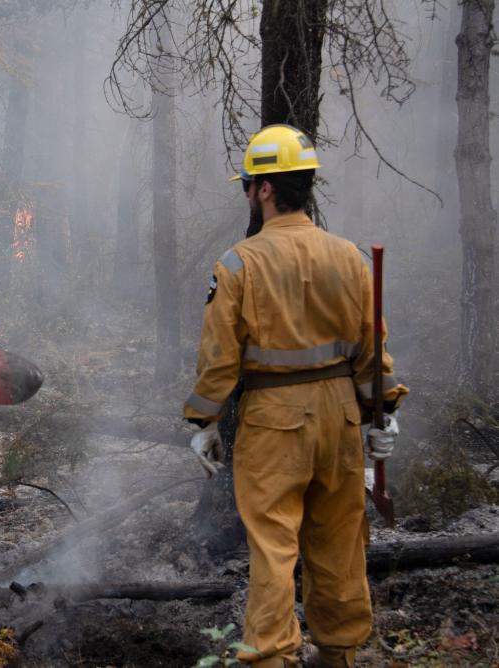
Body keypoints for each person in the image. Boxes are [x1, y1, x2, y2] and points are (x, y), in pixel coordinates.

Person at [183, 124, 408, 668]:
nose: (247, 195)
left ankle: (271, 658)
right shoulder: (352, 259)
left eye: (247, 186)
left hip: (273, 422)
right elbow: (369, 353)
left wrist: (204, 422)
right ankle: (337, 654)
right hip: (340, 420)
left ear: (263, 189)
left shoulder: (238, 265)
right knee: (339, 544)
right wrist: (383, 413)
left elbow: (219, 359)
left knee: (274, 548)